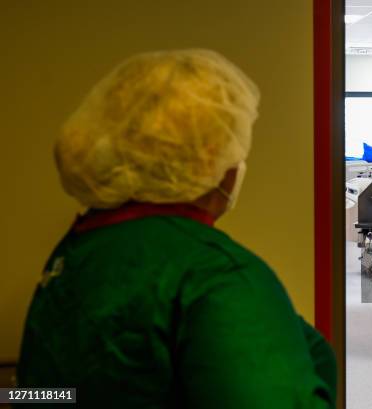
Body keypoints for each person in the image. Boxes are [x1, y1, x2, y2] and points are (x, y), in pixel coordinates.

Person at [17, 50, 336, 408]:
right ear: (209, 157)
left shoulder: (78, 250)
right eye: (235, 149)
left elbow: (40, 394)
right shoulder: (215, 275)